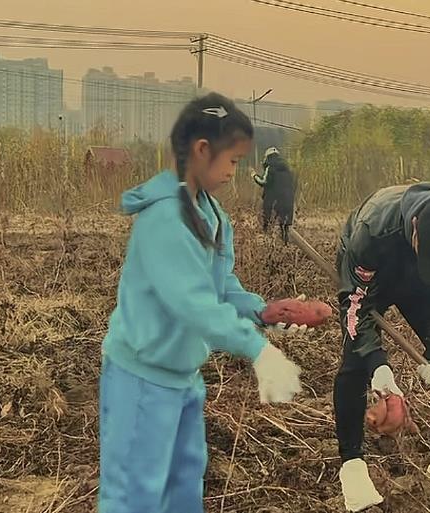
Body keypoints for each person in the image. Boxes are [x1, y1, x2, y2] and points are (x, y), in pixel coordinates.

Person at [98, 93, 306, 513]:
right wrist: (256, 349)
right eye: (232, 161)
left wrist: (262, 311)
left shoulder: (211, 214)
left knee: (184, 487)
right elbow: (192, 302)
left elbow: (219, 285)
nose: (234, 171)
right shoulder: (165, 219)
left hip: (183, 378)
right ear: (201, 150)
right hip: (142, 379)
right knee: (136, 496)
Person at [332, 182, 430, 512]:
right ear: (416, 228)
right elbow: (355, 307)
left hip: (422, 284)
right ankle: (353, 468)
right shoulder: (372, 231)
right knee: (355, 363)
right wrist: (377, 364)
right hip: (374, 272)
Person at [252, 146, 297, 242]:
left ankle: (267, 240)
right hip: (288, 199)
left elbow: (264, 182)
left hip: (273, 200)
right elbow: (294, 184)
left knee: (268, 221)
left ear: (268, 157)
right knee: (285, 224)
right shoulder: (288, 169)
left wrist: (254, 176)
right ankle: (285, 242)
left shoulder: (270, 168)